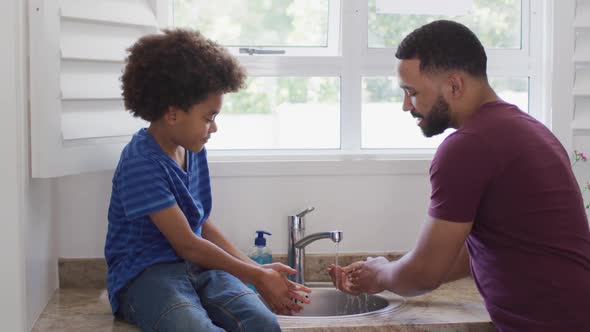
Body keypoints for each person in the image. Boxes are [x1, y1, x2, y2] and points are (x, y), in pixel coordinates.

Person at [329, 20, 590, 331]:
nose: (406, 106)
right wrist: (386, 273)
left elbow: (424, 273)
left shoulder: (468, 146)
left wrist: (382, 273)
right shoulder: (527, 128)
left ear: (454, 85)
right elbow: (484, 247)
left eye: (412, 92)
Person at [105, 29, 310, 332]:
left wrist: (257, 269)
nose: (213, 127)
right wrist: (256, 277)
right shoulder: (140, 162)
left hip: (200, 268)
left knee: (261, 322)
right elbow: (187, 244)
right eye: (209, 117)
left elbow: (202, 223)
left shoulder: (192, 148)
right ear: (172, 113)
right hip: (146, 276)